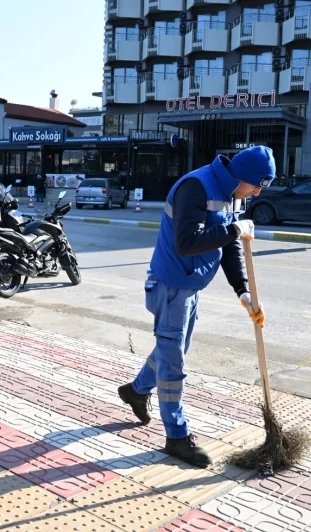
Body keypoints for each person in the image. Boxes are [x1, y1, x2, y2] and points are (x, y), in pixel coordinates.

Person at [117, 146, 274, 467]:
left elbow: (229, 246)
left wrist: (243, 291)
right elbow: (187, 243)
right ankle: (176, 435)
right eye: (257, 184)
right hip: (170, 285)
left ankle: (136, 391)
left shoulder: (231, 192)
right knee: (173, 363)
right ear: (242, 175)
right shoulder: (195, 187)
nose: (258, 192)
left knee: (172, 350)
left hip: (190, 285)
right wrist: (234, 228)